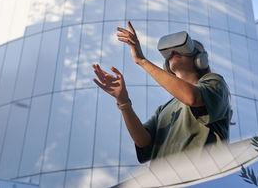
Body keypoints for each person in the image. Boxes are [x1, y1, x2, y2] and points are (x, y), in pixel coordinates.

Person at [92, 21, 231, 163]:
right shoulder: (163, 110)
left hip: (202, 179)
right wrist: (123, 101)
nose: (174, 52)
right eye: (170, 52)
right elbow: (143, 141)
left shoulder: (215, 82)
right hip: (166, 180)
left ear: (200, 59)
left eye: (185, 48)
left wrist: (142, 61)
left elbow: (192, 98)